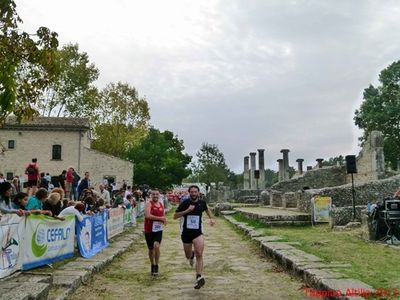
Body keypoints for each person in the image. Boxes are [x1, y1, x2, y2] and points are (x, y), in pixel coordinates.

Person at [173, 185, 215, 289]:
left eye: (195, 192)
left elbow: (207, 209)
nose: (193, 194)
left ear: (198, 193)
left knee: (199, 253)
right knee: (188, 255)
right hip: (186, 233)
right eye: (191, 192)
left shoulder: (202, 203)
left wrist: (211, 218)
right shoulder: (185, 203)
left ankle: (199, 277)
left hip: (198, 233)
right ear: (189, 193)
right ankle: (191, 256)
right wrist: (187, 211)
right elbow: (175, 216)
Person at [144, 189, 167, 276]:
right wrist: (160, 219)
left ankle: (156, 265)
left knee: (156, 246)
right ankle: (152, 264)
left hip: (158, 230)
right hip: (149, 229)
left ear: (159, 195)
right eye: (153, 194)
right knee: (150, 249)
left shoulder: (161, 204)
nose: (155, 196)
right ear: (151, 195)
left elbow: (163, 215)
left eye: (157, 194)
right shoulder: (148, 204)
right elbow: (147, 215)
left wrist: (164, 220)